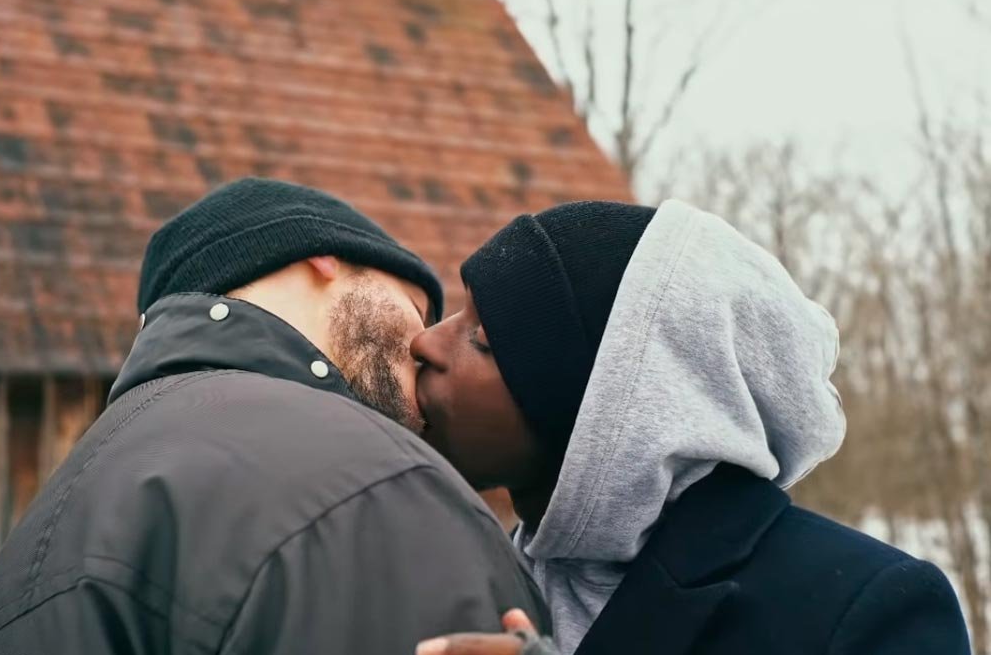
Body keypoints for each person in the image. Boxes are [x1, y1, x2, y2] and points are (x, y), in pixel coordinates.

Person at [0, 178, 548, 655]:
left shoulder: (32, 540)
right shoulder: (370, 482)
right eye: (417, 308)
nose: (423, 346)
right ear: (323, 257)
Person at [412, 199, 970, 655]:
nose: (426, 342)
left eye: (482, 338)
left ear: (618, 403)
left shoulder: (866, 606)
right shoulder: (463, 569)